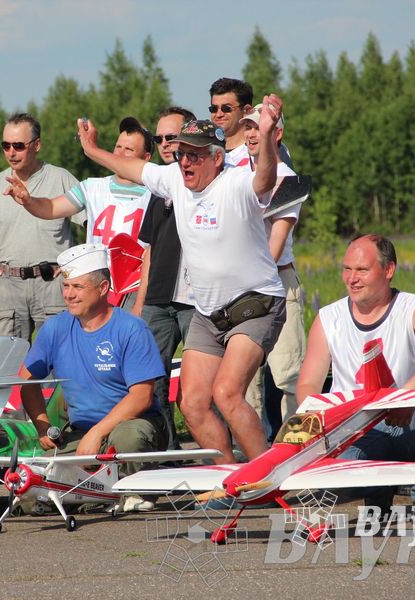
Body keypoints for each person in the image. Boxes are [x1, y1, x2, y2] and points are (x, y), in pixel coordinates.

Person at [76, 95, 288, 465]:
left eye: (195, 154)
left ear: (216, 158)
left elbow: (265, 178)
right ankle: (229, 477)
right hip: (210, 312)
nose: (185, 161)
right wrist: (92, 149)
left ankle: (270, 477)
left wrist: (267, 137)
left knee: (226, 393)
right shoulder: (173, 178)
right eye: (180, 153)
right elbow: (128, 167)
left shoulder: (235, 184)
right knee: (190, 402)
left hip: (256, 303)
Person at [296, 235, 415, 506]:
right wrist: (320, 429)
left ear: (388, 270)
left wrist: (402, 399)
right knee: (323, 491)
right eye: (347, 269)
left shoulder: (412, 307)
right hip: (357, 430)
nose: (351, 278)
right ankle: (377, 490)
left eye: (362, 270)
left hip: (408, 425)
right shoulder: (328, 317)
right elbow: (307, 386)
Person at [18, 244, 166, 511]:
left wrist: (97, 433)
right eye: (66, 286)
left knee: (127, 438)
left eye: (78, 287)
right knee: (37, 465)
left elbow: (142, 396)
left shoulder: (132, 329)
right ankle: (89, 492)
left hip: (133, 424)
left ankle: (133, 490)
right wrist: (43, 427)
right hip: (80, 431)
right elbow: (27, 380)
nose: (69, 295)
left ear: (103, 288)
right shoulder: (55, 328)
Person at [0, 113, 80, 340]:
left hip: (53, 284)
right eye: (6, 146)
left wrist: (75, 269)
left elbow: (94, 222)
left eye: (18, 146)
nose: (11, 152)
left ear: (37, 145)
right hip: (10, 286)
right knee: (8, 364)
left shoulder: (60, 178)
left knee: (58, 361)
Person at [130, 107, 197, 450]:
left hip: (196, 300)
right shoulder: (157, 191)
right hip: (158, 301)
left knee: (201, 384)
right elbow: (149, 251)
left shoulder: (207, 181)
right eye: (159, 139)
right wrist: (140, 305)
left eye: (172, 137)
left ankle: (214, 457)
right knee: (153, 380)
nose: (165, 144)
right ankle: (167, 454)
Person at [239, 105, 306, 438]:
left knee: (289, 375)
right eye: (248, 128)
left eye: (259, 127)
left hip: (277, 281)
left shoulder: (291, 180)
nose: (252, 134)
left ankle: (298, 448)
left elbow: (274, 245)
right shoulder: (234, 175)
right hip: (239, 285)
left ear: (277, 134)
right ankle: (252, 455)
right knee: (245, 379)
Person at [11, 116, 154, 246]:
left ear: (146, 157)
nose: (119, 153)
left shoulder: (157, 195)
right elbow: (51, 208)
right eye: (118, 146)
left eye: (129, 149)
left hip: (138, 275)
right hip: (100, 274)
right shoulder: (92, 187)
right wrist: (29, 201)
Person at [208, 78, 254, 168]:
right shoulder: (203, 152)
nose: (219, 114)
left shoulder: (265, 150)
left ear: (246, 110)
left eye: (226, 108)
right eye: (214, 109)